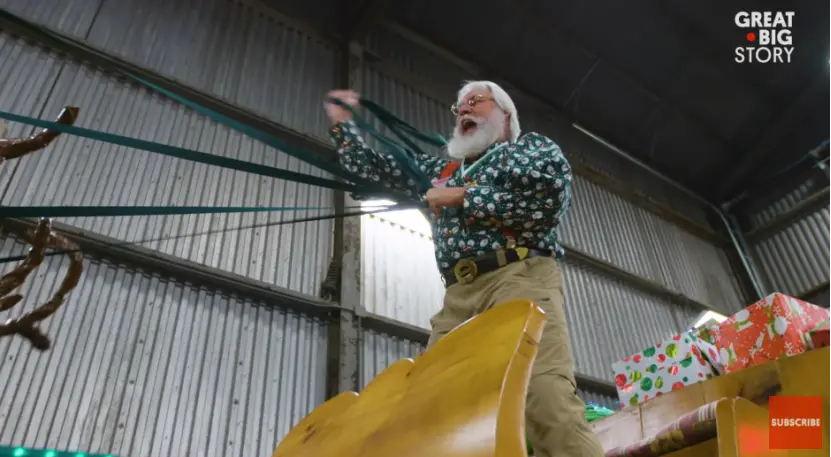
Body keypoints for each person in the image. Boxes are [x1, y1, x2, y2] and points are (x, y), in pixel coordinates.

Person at [323, 81, 605, 457]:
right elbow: (370, 168)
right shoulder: (443, 170)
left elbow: (545, 201)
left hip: (518, 276)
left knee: (544, 397)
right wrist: (343, 124)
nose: (463, 110)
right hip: (458, 296)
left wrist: (462, 196)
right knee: (429, 411)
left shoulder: (528, 149)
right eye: (459, 107)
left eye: (475, 101)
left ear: (506, 114)